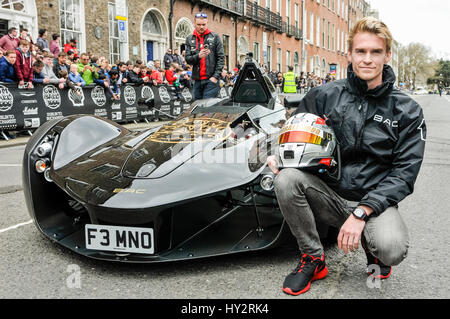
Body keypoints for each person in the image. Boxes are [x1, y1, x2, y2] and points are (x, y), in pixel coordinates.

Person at [268, 17, 427, 296]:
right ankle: (313, 258)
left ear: (387, 55)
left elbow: (404, 174)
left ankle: (373, 248)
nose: (367, 59)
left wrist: (362, 212)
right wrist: (276, 157)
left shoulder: (408, 110)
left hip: (374, 201)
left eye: (375, 52)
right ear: (350, 54)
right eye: (361, 51)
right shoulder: (323, 95)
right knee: (286, 179)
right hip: (330, 193)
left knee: (391, 248)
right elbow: (292, 131)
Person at [185, 12, 225, 100]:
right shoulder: (189, 39)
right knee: (198, 109)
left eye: (204, 24)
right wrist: (198, 56)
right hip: (197, 80)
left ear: (207, 23)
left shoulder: (215, 37)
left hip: (211, 80)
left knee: (207, 110)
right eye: (199, 24)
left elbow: (221, 58)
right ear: (194, 23)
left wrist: (215, 77)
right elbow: (188, 59)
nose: (201, 27)